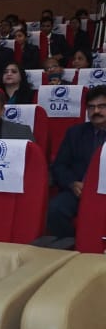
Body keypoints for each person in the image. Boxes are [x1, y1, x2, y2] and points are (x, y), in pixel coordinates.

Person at [48, 86, 106, 237]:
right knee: (55, 209)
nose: (96, 111)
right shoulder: (75, 133)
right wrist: (72, 183)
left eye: (101, 106)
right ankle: (72, 244)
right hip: (80, 190)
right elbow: (59, 166)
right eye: (91, 107)